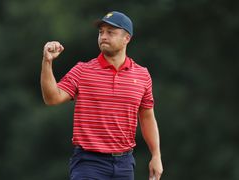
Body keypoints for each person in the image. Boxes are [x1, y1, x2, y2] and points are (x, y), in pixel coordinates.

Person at [41, 11, 163, 180]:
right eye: (101, 32)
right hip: (88, 162)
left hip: (124, 163)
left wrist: (156, 156)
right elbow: (52, 98)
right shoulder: (83, 70)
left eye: (110, 32)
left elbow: (147, 117)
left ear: (127, 38)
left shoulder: (142, 75)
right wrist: (47, 62)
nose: (103, 36)